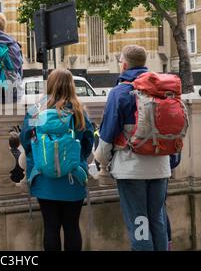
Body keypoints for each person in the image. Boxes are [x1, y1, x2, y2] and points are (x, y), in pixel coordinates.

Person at [94, 45, 171, 251]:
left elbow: (107, 134)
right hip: (160, 165)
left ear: (124, 64)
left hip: (132, 168)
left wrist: (102, 160)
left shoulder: (120, 92)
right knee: (157, 220)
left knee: (140, 223)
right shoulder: (162, 90)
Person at [20, 69, 94, 251]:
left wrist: (41, 160)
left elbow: (25, 141)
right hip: (73, 178)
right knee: (72, 227)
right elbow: (88, 142)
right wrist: (75, 160)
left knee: (51, 227)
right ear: (71, 85)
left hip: (45, 180)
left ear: (50, 84)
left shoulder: (35, 112)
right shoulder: (79, 112)